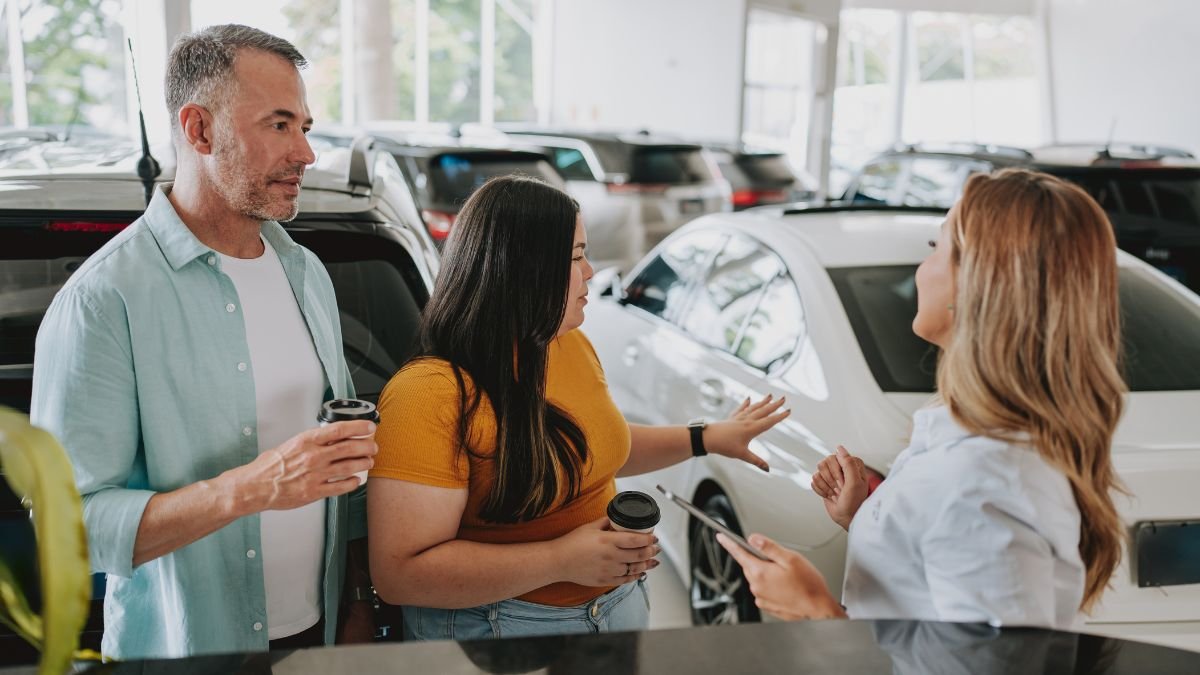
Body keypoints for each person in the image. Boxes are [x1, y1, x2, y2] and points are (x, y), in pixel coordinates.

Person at [30, 25, 376, 659]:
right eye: (279, 125)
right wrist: (250, 488)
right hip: (190, 653)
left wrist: (358, 600)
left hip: (320, 640)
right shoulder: (103, 300)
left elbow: (339, 462)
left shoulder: (306, 273)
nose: (305, 152)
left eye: (304, 126)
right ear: (199, 131)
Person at [368, 175, 789, 640]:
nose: (590, 271)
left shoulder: (565, 343)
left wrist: (704, 438)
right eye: (575, 257)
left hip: (616, 606)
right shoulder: (429, 394)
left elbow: (593, 448)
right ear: (522, 270)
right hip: (501, 631)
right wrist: (561, 560)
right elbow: (400, 574)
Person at [718, 168, 1126, 629]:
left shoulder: (979, 482)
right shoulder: (979, 446)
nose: (921, 269)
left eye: (936, 248)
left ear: (975, 285)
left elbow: (990, 661)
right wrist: (868, 518)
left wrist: (817, 611)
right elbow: (940, 584)